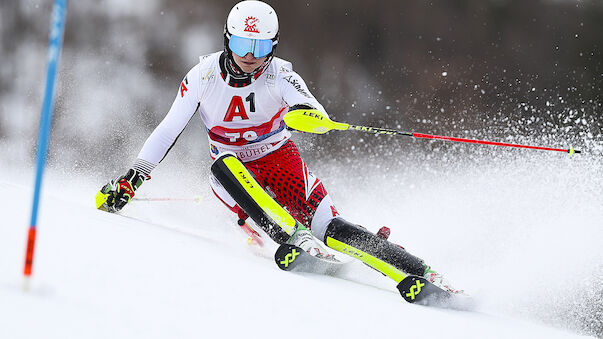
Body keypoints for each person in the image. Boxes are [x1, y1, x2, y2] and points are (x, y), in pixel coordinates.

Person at [95, 0, 461, 295]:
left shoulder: (280, 73)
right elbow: (168, 129)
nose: (250, 56)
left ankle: (421, 270)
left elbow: (311, 107)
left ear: (273, 46)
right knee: (222, 164)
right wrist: (134, 179)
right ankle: (290, 234)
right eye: (242, 45)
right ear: (227, 40)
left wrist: (305, 115)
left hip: (280, 158)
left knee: (330, 226)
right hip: (233, 173)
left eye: (260, 47)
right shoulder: (203, 76)